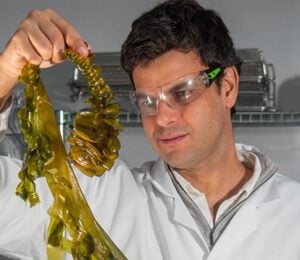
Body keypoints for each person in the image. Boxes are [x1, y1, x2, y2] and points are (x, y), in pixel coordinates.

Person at [0, 0, 300, 259]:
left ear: (229, 87)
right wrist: (4, 73)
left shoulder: (293, 211)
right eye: (147, 101)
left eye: (182, 92)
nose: (162, 118)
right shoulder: (95, 198)